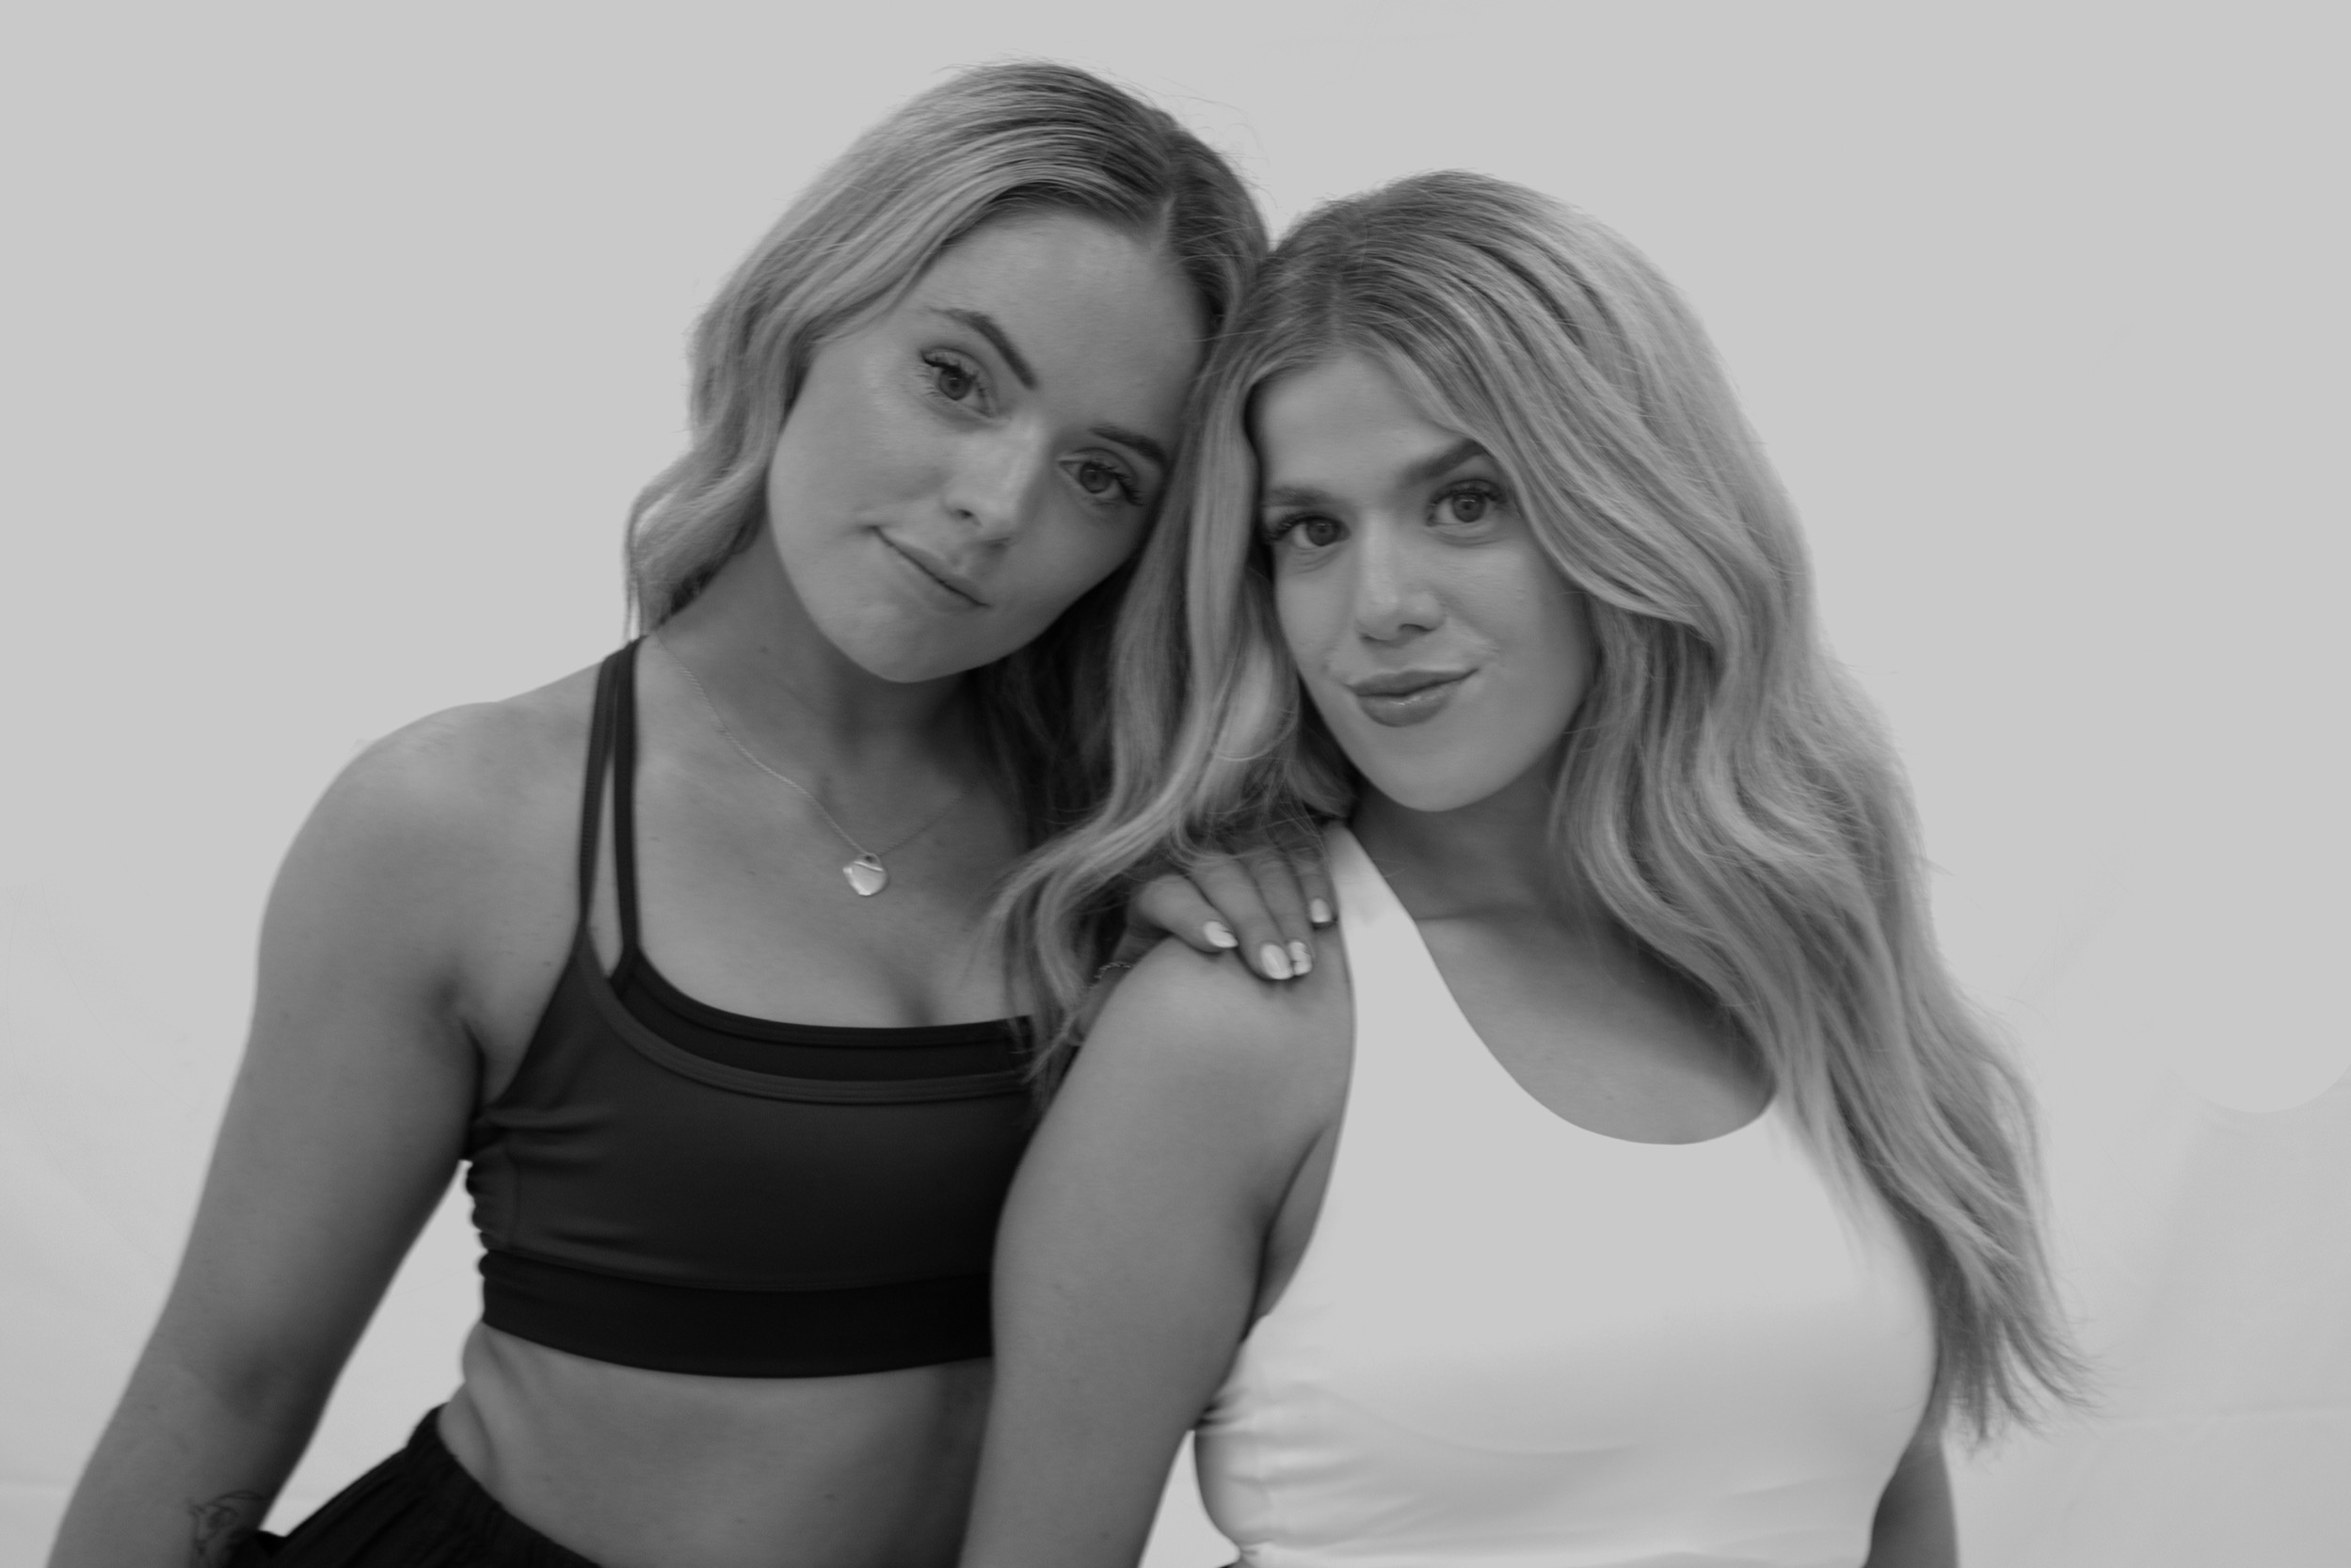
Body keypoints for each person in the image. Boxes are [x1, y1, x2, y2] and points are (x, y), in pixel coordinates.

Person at [48, 62, 1327, 1568]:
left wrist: (1233, 899)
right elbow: (228, 1379)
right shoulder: (463, 824)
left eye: (1101, 473)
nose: (996, 500)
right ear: (807, 319)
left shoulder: (1124, 855)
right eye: (956, 377)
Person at [968, 171, 2087, 1568]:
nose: (1379, 605)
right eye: (1311, 530)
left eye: (1464, 501)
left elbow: (1888, 1510)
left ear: (1626, 503)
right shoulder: (1235, 1026)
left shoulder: (1802, 965)